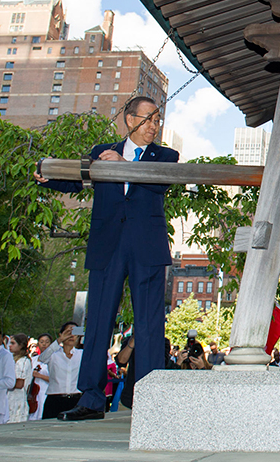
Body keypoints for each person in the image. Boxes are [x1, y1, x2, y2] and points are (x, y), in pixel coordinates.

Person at [35, 97, 177, 420]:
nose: (155, 125)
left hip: (147, 248)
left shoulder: (165, 156)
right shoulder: (102, 150)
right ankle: (91, 398)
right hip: (107, 244)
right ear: (130, 120)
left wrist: (122, 166)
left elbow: (160, 181)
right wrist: (48, 177)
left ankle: (151, 398)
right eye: (148, 118)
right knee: (98, 321)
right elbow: (77, 179)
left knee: (149, 324)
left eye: (158, 120)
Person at [39, 322, 83, 419]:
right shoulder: (53, 354)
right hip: (55, 399)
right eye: (68, 332)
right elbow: (42, 358)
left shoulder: (81, 354)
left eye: (74, 332)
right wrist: (59, 340)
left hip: (75, 399)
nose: (71, 336)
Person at [7, 333, 32, 423]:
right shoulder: (12, 359)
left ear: (21, 345)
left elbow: (19, 384)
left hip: (17, 399)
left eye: (13, 343)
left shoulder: (23, 361)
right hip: (9, 398)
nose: (10, 346)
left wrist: (3, 384)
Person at [29, 334, 52, 421]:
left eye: (47, 342)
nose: (44, 344)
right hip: (33, 392)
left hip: (45, 390)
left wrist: (40, 376)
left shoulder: (53, 359)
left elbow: (55, 378)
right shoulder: (33, 359)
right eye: (41, 342)